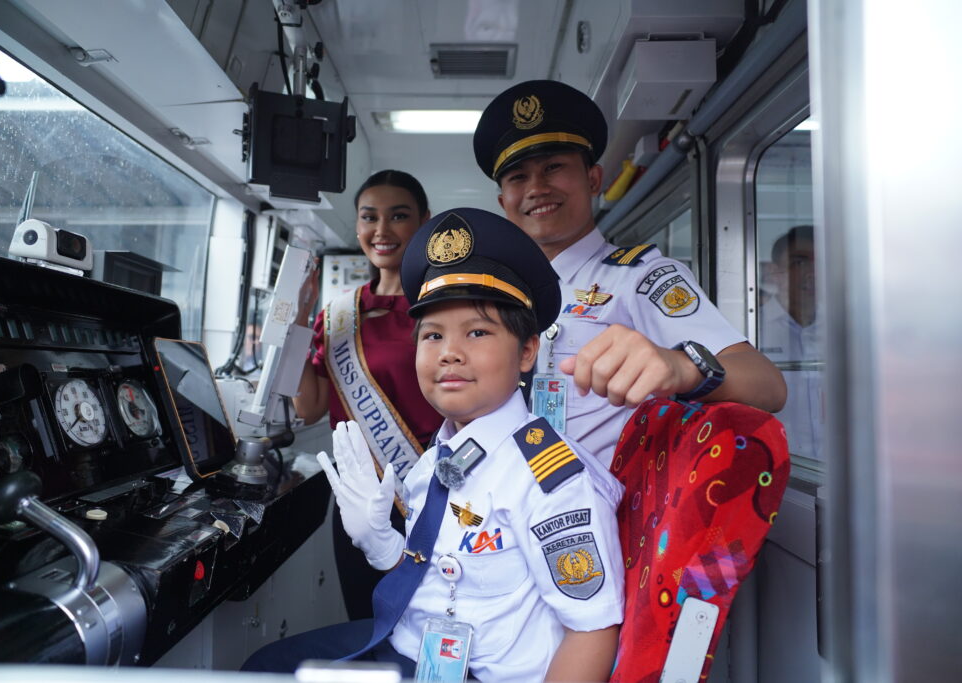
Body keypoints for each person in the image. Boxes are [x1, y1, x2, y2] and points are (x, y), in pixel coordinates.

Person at [244, 208, 624, 682]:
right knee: (264, 666)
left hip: (478, 673)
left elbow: (593, 630)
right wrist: (384, 548)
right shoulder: (440, 456)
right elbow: (447, 569)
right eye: (433, 335)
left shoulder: (551, 480)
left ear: (527, 352)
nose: (449, 351)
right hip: (415, 648)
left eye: (478, 332)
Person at [472, 79, 787, 466]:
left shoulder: (641, 278)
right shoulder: (498, 294)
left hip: (601, 513)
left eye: (553, 167)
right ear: (505, 202)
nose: (536, 187)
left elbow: (768, 385)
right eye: (518, 177)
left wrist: (682, 367)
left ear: (593, 180)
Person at [292, 170, 443, 620]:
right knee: (365, 619)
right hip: (359, 500)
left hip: (431, 493)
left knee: (430, 620)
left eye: (398, 216)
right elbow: (309, 406)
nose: (381, 230)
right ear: (357, 227)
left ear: (423, 222)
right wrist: (298, 322)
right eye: (369, 217)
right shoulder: (337, 315)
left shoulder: (443, 306)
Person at [759, 225, 823, 459]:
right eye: (800, 262)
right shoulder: (751, 330)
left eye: (820, 262)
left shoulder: (843, 329)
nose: (812, 273)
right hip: (773, 473)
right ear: (776, 273)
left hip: (833, 475)